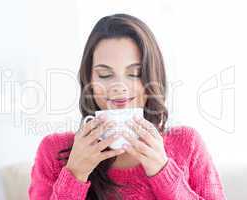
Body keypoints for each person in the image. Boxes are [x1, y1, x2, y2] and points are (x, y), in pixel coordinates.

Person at [28, 13, 227, 200]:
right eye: (105, 75)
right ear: (88, 79)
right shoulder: (54, 151)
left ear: (153, 77)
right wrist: (75, 174)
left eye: (135, 73)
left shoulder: (187, 143)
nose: (119, 87)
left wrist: (163, 171)